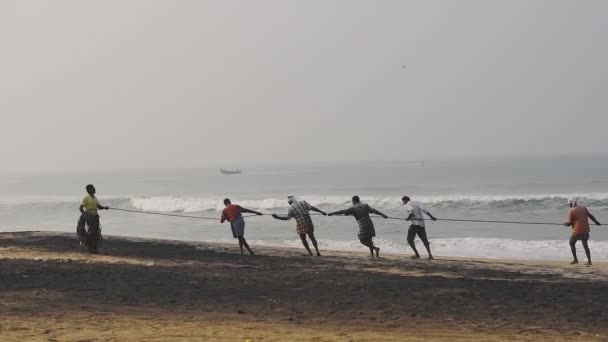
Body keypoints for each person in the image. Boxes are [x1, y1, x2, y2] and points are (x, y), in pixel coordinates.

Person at [564, 197, 601, 265]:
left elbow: (569, 223)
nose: (569, 205)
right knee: (585, 246)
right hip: (585, 231)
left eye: (569, 204)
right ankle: (589, 261)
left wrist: (565, 224)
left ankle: (575, 260)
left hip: (577, 231)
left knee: (571, 243)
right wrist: (596, 222)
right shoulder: (583, 208)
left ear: (572, 203)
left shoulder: (571, 211)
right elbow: (590, 216)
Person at [78, 184, 109, 254]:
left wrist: (105, 207)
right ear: (89, 190)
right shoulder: (86, 198)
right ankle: (90, 248)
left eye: (94, 188)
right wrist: (84, 215)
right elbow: (80, 208)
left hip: (95, 217)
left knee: (96, 233)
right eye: (93, 188)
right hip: (89, 217)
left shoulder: (95, 198)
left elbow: (98, 207)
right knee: (92, 232)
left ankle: (94, 248)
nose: (94, 189)